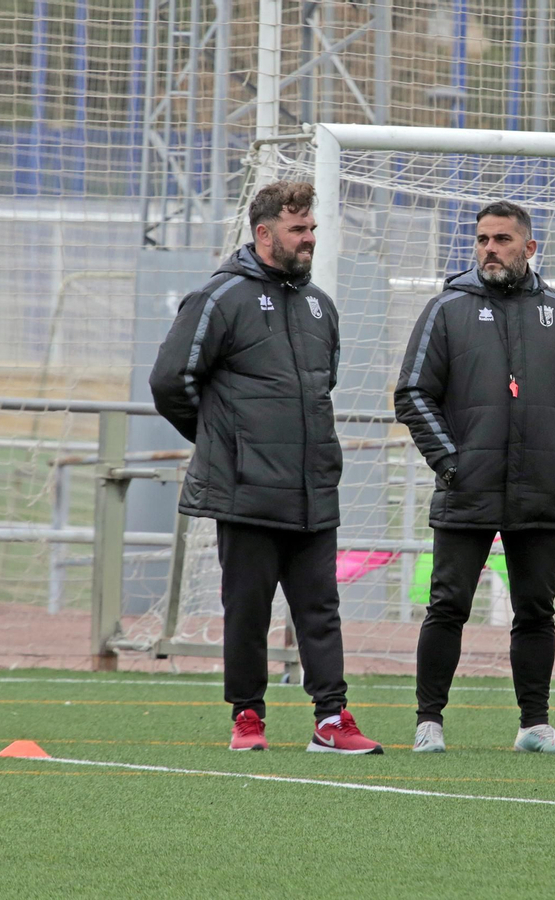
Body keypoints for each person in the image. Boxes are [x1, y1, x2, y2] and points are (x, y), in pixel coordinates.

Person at [150, 181, 382, 755]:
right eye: (297, 229)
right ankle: (248, 718)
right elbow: (168, 382)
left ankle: (331, 719)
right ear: (263, 233)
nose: (308, 240)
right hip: (245, 489)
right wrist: (221, 446)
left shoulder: (319, 305)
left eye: (311, 229)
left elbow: (321, 386)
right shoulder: (219, 298)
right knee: (247, 611)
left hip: (311, 488)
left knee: (320, 610)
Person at [395, 200, 555, 754]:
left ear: (529, 248)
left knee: (536, 610)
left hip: (540, 488)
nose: (489, 248)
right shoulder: (447, 309)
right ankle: (429, 724)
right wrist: (451, 462)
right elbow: (413, 393)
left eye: (502, 239)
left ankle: (535, 726)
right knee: (448, 606)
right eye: (482, 239)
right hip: (467, 486)